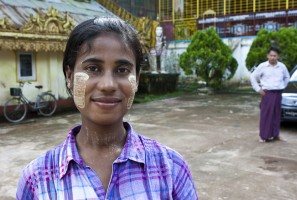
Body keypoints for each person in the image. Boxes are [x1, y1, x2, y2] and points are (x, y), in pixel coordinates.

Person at [16, 17, 198, 199]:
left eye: (122, 70)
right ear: (70, 76)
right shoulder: (36, 178)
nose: (108, 85)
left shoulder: (170, 168)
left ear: (137, 78)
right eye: (93, 68)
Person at [250, 47, 290, 143]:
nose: (272, 57)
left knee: (276, 115)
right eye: (271, 55)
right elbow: (252, 77)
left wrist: (283, 86)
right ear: (267, 56)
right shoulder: (262, 66)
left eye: (274, 55)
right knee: (266, 115)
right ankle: (263, 136)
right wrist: (258, 89)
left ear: (278, 56)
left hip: (278, 93)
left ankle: (276, 135)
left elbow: (287, 77)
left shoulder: (282, 66)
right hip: (267, 94)